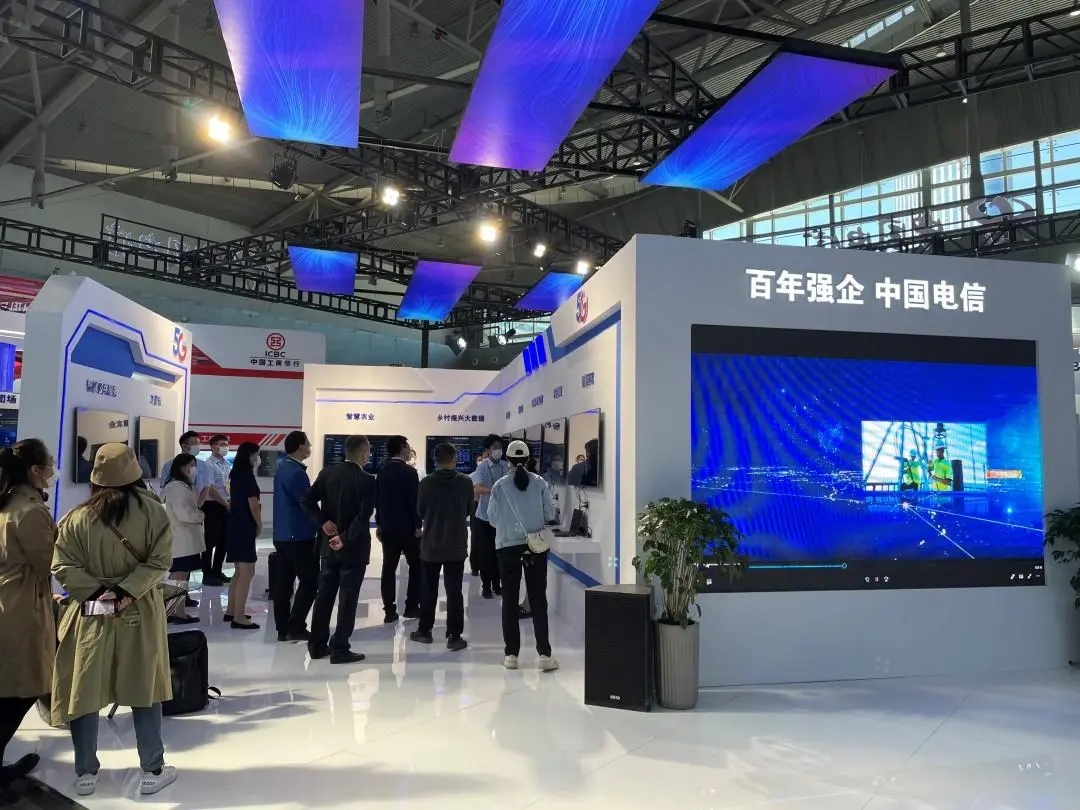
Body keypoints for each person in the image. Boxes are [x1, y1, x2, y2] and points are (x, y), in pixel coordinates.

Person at [51, 443, 176, 797]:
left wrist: (96, 593)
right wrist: (124, 592)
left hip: (91, 612)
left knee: (84, 689)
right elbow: (160, 562)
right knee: (144, 686)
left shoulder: (76, 517)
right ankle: (152, 769)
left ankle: (85, 773)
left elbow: (61, 565)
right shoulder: (154, 511)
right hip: (139, 608)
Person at [0, 440, 57, 784]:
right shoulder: (31, 511)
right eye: (48, 463)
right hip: (21, 606)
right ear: (34, 470)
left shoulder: (7, 501)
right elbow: (47, 562)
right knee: (23, 687)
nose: (52, 469)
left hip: (10, 601)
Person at [302, 435, 376, 664]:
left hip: (328, 546)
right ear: (363, 453)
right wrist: (344, 538)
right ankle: (340, 647)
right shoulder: (367, 480)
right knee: (348, 599)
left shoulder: (327, 473)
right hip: (353, 549)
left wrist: (322, 523)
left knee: (324, 595)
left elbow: (306, 501)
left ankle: (316, 645)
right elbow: (363, 516)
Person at [487, 440, 558, 673]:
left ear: (507, 459)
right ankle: (544, 654)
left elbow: (492, 518)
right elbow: (549, 513)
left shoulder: (499, 485)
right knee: (538, 600)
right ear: (528, 460)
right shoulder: (539, 483)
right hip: (535, 547)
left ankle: (511, 655)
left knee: (509, 600)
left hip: (507, 547)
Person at [411, 442, 474, 651]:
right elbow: (468, 509)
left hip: (431, 544)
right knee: (454, 591)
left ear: (435, 460)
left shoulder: (426, 483)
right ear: (454, 459)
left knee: (428, 588)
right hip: (456, 544)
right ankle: (454, 636)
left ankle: (425, 631)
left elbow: (420, 511)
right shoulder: (465, 482)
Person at [272, 431, 318, 643]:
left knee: (283, 584)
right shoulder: (297, 473)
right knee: (310, 581)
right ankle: (297, 625)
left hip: (283, 535)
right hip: (298, 535)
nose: (310, 448)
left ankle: (282, 628)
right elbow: (305, 503)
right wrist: (322, 523)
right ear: (300, 446)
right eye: (308, 444)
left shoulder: (283, 469)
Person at [375, 436, 422, 623]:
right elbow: (414, 501)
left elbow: (378, 501)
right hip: (408, 529)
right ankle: (411, 606)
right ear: (402, 448)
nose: (409, 449)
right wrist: (418, 526)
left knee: (388, 568)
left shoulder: (382, 471)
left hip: (388, 528)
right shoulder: (410, 472)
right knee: (416, 566)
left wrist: (379, 524)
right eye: (408, 446)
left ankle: (389, 610)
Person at [161, 452, 204, 624]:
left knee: (179, 576)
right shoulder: (177, 488)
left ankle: (173, 610)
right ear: (180, 468)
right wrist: (200, 515)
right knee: (178, 576)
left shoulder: (181, 486)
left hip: (183, 539)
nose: (192, 469)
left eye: (193, 465)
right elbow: (184, 514)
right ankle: (176, 612)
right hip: (181, 539)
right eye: (189, 465)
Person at [224, 442, 261, 629]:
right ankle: (239, 617)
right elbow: (253, 505)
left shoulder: (236, 475)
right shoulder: (247, 476)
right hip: (244, 526)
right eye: (256, 454)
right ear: (249, 455)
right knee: (246, 572)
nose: (258, 458)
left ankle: (231, 610)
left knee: (239, 571)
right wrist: (259, 524)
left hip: (234, 524)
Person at [470, 435, 510, 599]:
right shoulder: (482, 468)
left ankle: (496, 583)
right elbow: (477, 489)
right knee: (485, 554)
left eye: (500, 447)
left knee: (498, 553)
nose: (498, 450)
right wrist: (495, 490)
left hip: (501, 518)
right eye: (494, 447)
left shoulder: (506, 466)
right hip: (484, 517)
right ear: (487, 450)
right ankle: (486, 585)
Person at [201, 434, 232, 586]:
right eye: (222, 444)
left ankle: (217, 570)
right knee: (210, 540)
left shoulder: (226, 464)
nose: (225, 447)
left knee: (224, 540)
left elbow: (228, 484)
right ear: (213, 447)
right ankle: (207, 574)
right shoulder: (208, 465)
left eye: (226, 444)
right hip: (213, 505)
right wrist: (224, 503)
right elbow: (211, 489)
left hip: (226, 504)